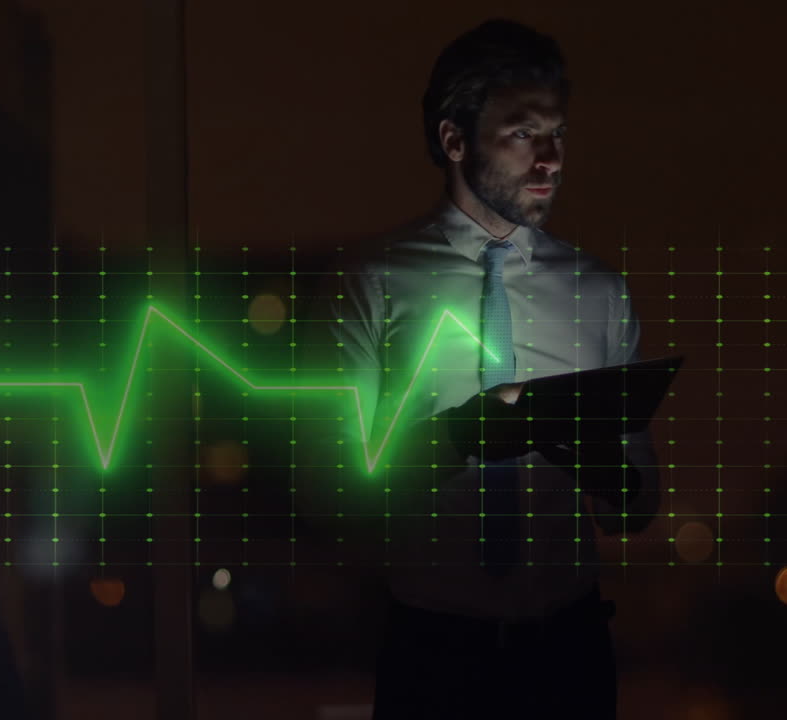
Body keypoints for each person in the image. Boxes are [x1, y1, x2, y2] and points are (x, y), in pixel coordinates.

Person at [297, 18, 660, 720]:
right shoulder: (370, 283)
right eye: (524, 133)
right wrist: (460, 439)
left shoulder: (599, 292)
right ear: (453, 139)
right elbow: (329, 497)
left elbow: (638, 508)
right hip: (434, 657)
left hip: (570, 655)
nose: (551, 158)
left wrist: (588, 454)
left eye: (559, 133)